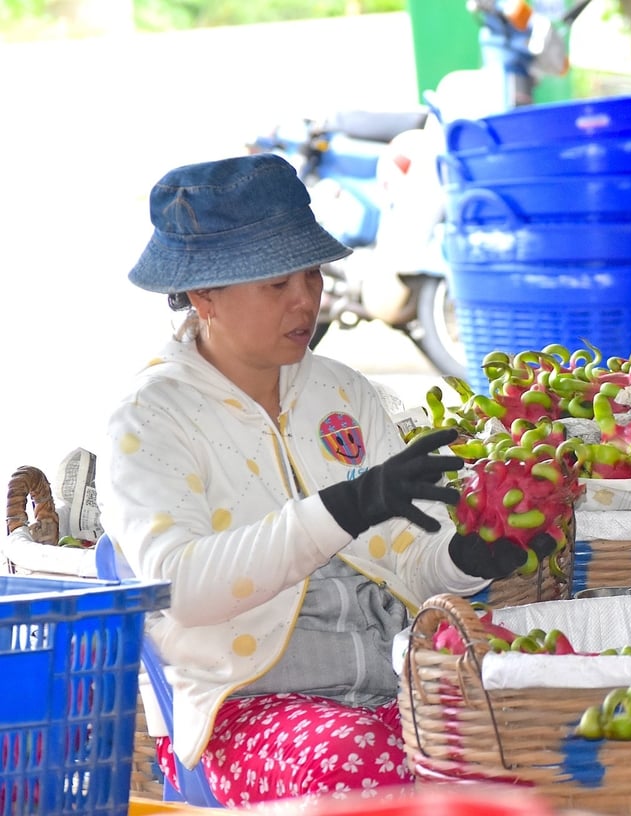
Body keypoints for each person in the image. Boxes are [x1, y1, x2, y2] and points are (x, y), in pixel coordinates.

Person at [96, 153, 552, 806]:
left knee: (525, 745)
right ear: (204, 295)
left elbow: (408, 563)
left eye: (310, 273)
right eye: (277, 282)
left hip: (395, 684)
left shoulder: (344, 392)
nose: (305, 298)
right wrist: (344, 506)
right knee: (367, 763)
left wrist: (464, 559)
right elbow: (182, 591)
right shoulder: (149, 417)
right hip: (244, 706)